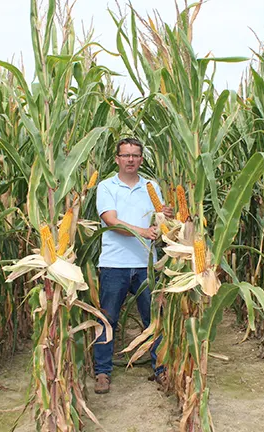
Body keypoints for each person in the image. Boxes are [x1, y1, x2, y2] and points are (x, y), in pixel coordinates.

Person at [93, 137, 173, 395]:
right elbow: (111, 221)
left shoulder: (151, 186)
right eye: (125, 155)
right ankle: (102, 372)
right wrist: (144, 232)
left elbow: (158, 218)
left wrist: (166, 217)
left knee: (154, 319)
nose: (130, 159)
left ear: (141, 158)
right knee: (107, 320)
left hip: (145, 264)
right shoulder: (106, 187)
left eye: (135, 155)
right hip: (114, 264)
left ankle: (160, 369)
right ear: (116, 159)